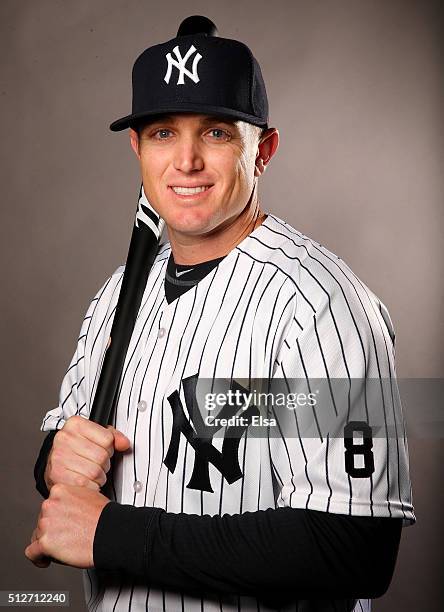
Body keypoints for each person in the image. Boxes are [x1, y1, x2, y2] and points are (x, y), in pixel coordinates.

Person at [25, 15, 415, 612]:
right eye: (161, 133)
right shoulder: (115, 298)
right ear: (136, 148)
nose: (186, 162)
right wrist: (55, 455)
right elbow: (68, 456)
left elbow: (354, 547)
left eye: (215, 133)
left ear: (264, 149)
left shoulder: (321, 307)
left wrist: (115, 535)